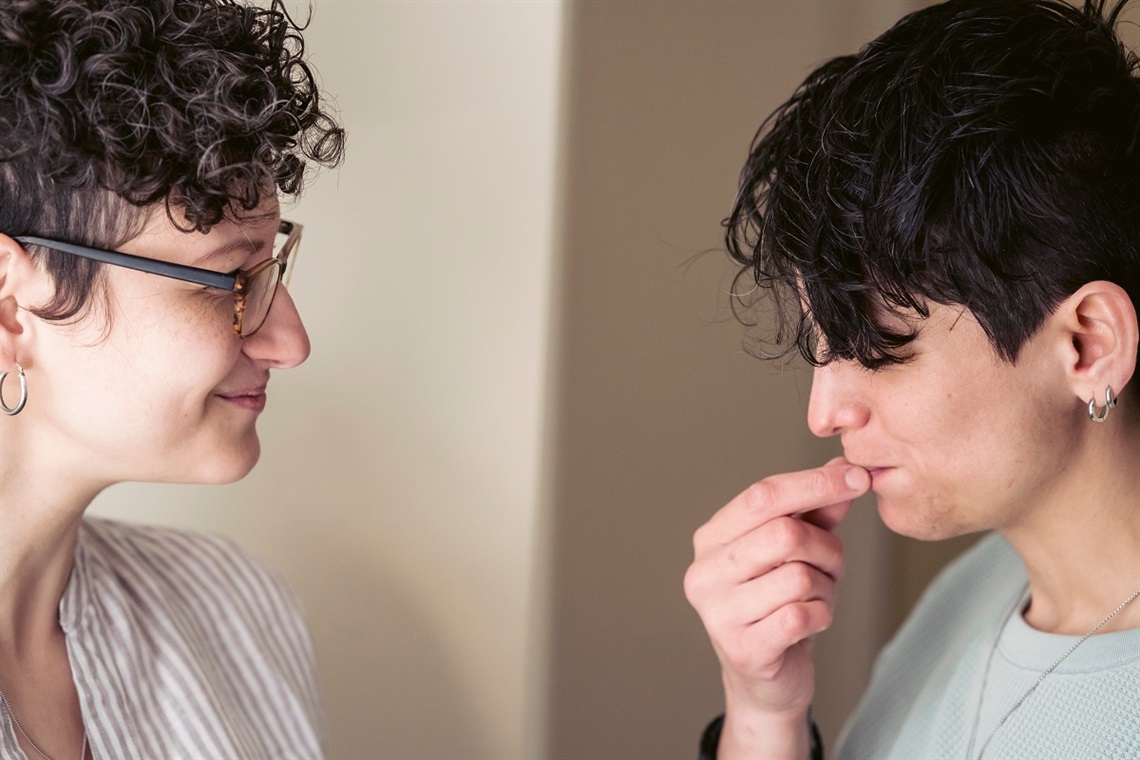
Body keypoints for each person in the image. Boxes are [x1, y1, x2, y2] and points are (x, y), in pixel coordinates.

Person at [684, 0, 1140, 757]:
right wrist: (764, 712)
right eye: (822, 347)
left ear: (1089, 347)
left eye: (877, 350)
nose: (823, 413)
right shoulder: (972, 593)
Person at [0, 0, 344, 757]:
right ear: (13, 308)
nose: (291, 341)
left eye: (271, 267)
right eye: (227, 278)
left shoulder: (233, 609)